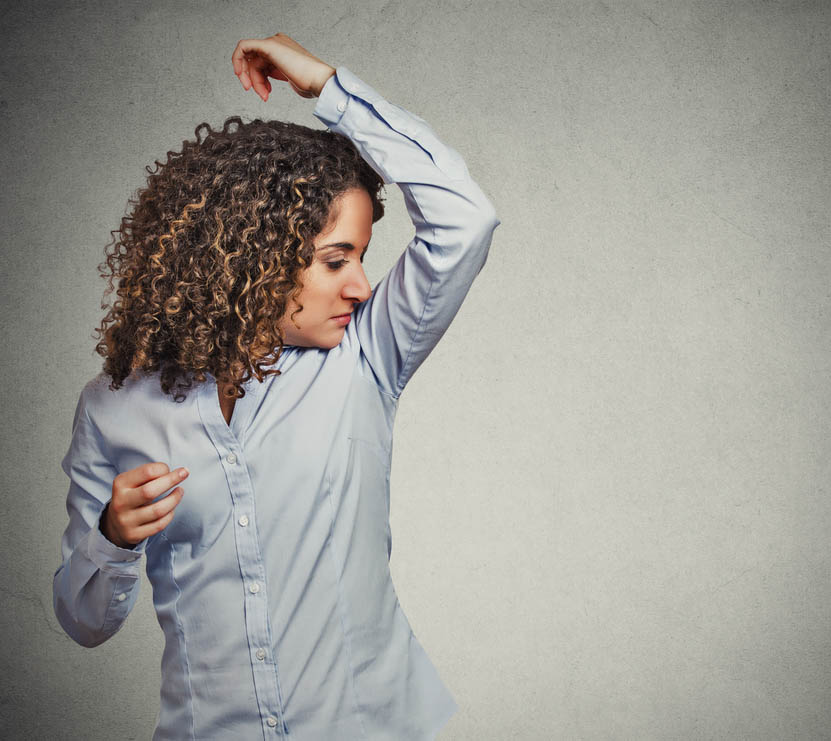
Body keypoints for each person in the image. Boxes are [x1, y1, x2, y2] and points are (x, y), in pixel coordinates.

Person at [53, 33, 500, 739]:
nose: (360, 283)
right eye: (333, 259)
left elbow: (466, 219)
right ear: (251, 258)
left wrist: (329, 89)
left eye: (361, 256)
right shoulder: (113, 410)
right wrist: (112, 537)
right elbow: (83, 620)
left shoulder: (365, 355)